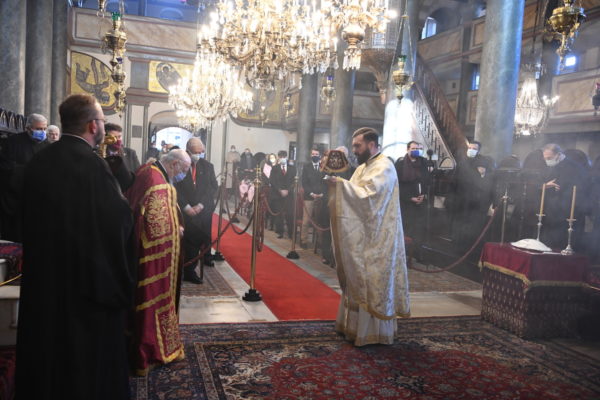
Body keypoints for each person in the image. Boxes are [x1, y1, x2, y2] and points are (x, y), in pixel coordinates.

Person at [15, 94, 136, 400]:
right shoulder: (93, 167)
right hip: (86, 285)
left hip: (44, 277)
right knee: (83, 362)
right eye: (102, 120)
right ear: (94, 125)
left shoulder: (40, 161)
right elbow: (118, 222)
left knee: (47, 353)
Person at [325, 127, 410, 346]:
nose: (354, 150)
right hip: (364, 236)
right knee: (358, 277)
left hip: (379, 239)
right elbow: (355, 194)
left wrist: (340, 185)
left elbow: (369, 198)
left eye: (358, 145)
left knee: (373, 282)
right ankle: (353, 328)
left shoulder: (384, 167)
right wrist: (340, 185)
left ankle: (373, 333)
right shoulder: (363, 167)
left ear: (371, 145)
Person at [125, 148, 190, 375]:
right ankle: (150, 350)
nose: (183, 175)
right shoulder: (157, 181)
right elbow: (157, 227)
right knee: (152, 297)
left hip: (140, 249)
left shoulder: (149, 170)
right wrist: (176, 230)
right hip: (154, 257)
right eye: (184, 170)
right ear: (174, 164)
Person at [175, 138, 218, 284]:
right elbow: (175, 187)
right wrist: (186, 206)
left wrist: (200, 205)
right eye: (196, 152)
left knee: (203, 237)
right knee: (188, 241)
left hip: (203, 209)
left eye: (201, 152)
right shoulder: (179, 164)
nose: (199, 155)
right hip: (184, 210)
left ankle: (200, 262)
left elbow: (212, 188)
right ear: (188, 151)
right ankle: (185, 269)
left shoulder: (208, 166)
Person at [0, 113, 49, 241]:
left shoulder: (47, 146)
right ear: (28, 128)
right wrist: (28, 171)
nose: (42, 132)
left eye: (44, 128)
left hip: (37, 198)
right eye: (39, 129)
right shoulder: (13, 142)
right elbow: (6, 166)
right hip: (17, 197)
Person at [540, 143, 588, 249]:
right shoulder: (550, 166)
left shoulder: (574, 168)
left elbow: (579, 190)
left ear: (558, 155)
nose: (547, 161)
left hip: (566, 214)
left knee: (560, 246)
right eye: (545, 158)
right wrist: (545, 186)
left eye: (549, 158)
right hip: (551, 214)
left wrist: (561, 189)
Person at [452, 141, 495, 253]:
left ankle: (471, 251)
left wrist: (482, 175)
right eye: (470, 147)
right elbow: (455, 181)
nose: (471, 150)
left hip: (476, 202)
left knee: (473, 228)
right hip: (462, 200)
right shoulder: (462, 162)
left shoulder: (483, 162)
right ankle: (458, 249)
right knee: (460, 226)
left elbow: (488, 182)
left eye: (474, 148)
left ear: (478, 151)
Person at [394, 141, 431, 257]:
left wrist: (424, 194)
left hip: (420, 201)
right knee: (406, 228)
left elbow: (427, 181)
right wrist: (410, 198)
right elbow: (397, 185)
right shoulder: (400, 164)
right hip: (406, 202)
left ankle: (417, 254)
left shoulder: (423, 163)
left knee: (419, 229)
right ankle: (403, 254)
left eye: (418, 149)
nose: (416, 150)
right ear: (408, 149)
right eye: (413, 148)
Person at [300, 148, 325, 248]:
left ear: (319, 155)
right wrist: (311, 193)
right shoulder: (306, 167)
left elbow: (325, 182)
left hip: (321, 198)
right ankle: (303, 240)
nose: (315, 156)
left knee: (320, 221)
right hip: (309, 197)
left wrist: (322, 194)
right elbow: (304, 182)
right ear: (311, 155)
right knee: (306, 220)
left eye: (316, 154)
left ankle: (319, 242)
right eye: (313, 154)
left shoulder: (323, 167)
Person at [269, 150, 297, 238]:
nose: (282, 158)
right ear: (278, 158)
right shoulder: (275, 168)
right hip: (278, 194)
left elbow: (294, 181)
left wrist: (288, 190)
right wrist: (280, 190)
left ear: (286, 157)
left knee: (290, 214)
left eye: (284, 157)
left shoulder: (292, 168)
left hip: (289, 195)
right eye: (281, 157)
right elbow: (272, 181)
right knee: (279, 214)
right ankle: (280, 232)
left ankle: (291, 233)